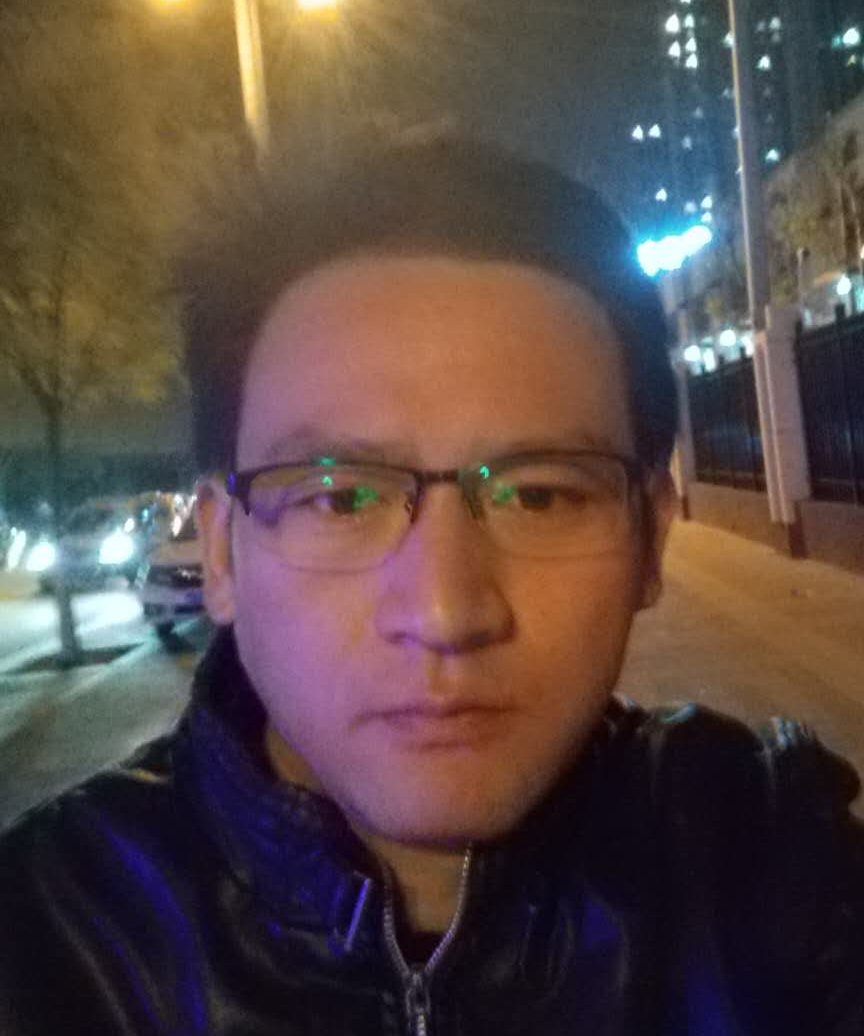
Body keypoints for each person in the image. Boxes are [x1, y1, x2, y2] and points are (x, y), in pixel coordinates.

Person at [0, 135, 862, 1035]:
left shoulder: (768, 865)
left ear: (652, 538)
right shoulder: (48, 937)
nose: (446, 612)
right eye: (340, 498)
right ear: (220, 551)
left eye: (539, 495)